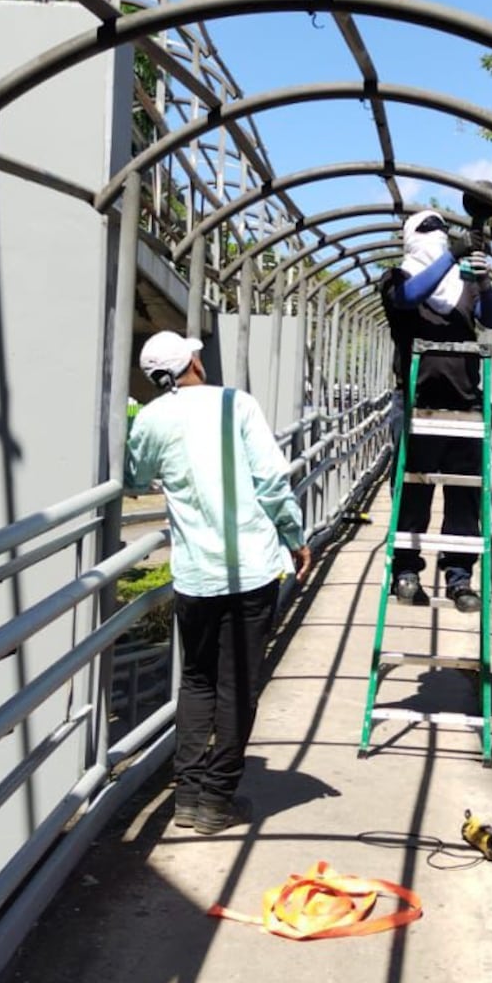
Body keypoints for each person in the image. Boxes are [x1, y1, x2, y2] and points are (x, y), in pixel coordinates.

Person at [125, 332, 311, 834]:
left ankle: (186, 796)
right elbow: (271, 482)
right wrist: (295, 537)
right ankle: (216, 800)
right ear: (192, 363)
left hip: (195, 573)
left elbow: (136, 478)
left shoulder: (151, 417)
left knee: (197, 680)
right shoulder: (236, 404)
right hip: (250, 567)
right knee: (238, 686)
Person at [379, 208, 492, 613]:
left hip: (464, 406)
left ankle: (459, 577)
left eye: (442, 231)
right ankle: (406, 571)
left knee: (463, 496)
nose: (437, 234)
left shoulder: (461, 282)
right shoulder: (397, 279)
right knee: (412, 490)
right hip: (416, 403)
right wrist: (452, 255)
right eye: (428, 228)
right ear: (411, 237)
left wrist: (483, 281)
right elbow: (408, 298)